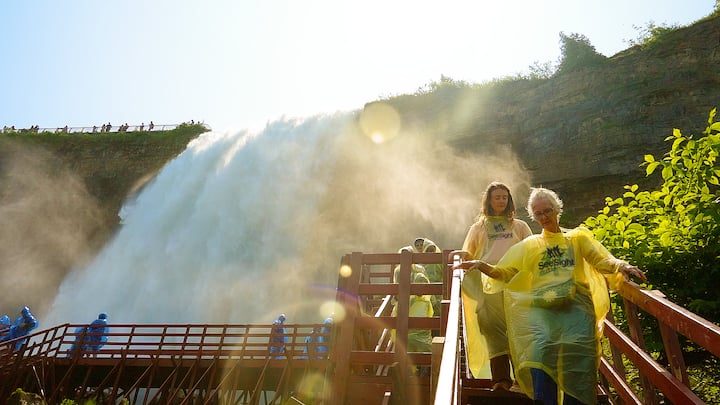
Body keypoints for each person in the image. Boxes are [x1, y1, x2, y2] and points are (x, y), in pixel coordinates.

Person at [453, 187, 647, 405]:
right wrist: (481, 265)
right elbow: (505, 273)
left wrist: (621, 265)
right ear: (534, 217)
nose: (544, 217)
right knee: (541, 357)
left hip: (577, 312)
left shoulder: (577, 239)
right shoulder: (530, 246)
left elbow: (600, 259)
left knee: (578, 362)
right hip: (543, 313)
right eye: (539, 214)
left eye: (547, 211)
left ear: (557, 210)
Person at [458, 181, 532, 390]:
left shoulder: (519, 226)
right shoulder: (478, 228)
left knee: (518, 328)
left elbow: (531, 250)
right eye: (497, 197)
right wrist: (460, 255)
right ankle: (501, 380)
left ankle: (522, 380)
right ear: (489, 201)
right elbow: (469, 253)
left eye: (504, 197)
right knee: (492, 330)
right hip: (486, 284)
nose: (501, 201)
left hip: (514, 283)